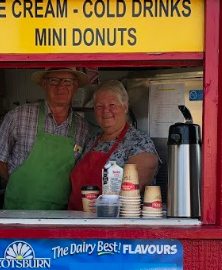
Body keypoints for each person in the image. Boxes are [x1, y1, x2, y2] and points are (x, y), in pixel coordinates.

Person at [0, 68, 92, 210]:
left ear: (75, 87)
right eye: (54, 81)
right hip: (18, 212)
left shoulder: (83, 128)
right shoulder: (18, 116)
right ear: (44, 84)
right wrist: (20, 184)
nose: (61, 86)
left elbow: (81, 174)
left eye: (68, 81)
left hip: (61, 216)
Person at [68, 80, 159, 210]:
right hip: (75, 219)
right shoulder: (92, 140)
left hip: (113, 223)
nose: (106, 111)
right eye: (99, 106)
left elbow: (132, 190)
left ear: (125, 107)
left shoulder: (139, 143)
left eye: (112, 104)